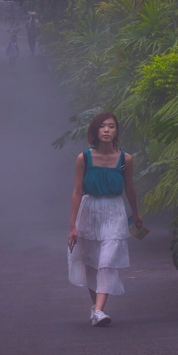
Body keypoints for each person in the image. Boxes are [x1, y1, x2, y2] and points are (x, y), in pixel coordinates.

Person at [68, 112, 143, 326]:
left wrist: (135, 214)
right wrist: (72, 226)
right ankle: (97, 310)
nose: (107, 130)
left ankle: (99, 310)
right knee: (92, 262)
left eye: (111, 126)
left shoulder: (125, 159)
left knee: (107, 260)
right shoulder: (84, 158)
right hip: (89, 210)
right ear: (96, 131)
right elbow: (76, 191)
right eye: (103, 126)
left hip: (114, 210)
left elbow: (130, 188)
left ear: (116, 131)